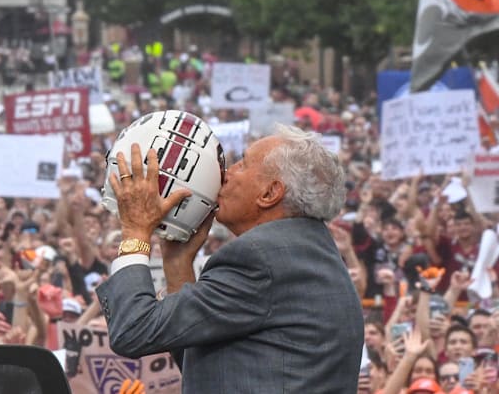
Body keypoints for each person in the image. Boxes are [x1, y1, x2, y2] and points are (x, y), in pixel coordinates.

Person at [96, 124, 364, 392]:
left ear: (270, 193)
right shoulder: (309, 252)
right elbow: (203, 367)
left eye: (242, 164)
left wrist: (135, 229)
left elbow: (133, 330)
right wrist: (178, 266)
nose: (225, 174)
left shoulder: (259, 259)